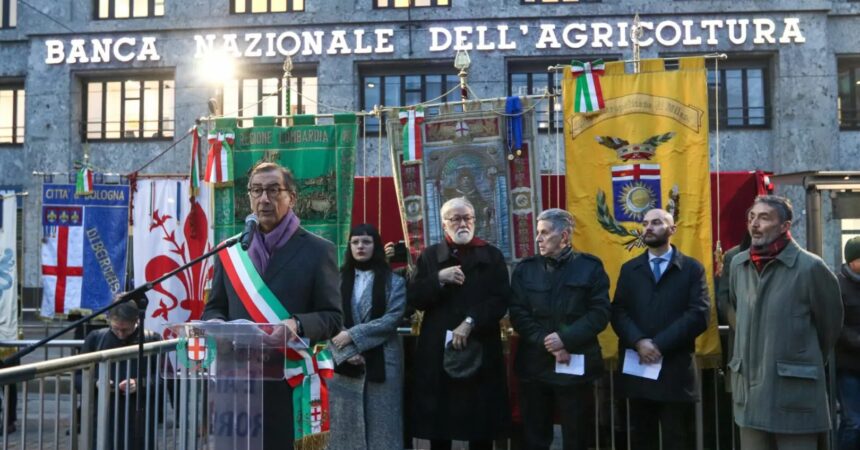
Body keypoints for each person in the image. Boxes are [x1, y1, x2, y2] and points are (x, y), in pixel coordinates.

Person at [202, 162, 342, 450]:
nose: (264, 199)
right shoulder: (230, 251)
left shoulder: (318, 250)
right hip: (240, 383)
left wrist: (298, 324)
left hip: (290, 382)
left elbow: (332, 317)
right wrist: (217, 326)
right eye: (256, 190)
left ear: (292, 197)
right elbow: (214, 308)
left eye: (273, 190)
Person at [729, 195, 843, 450]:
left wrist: (800, 359)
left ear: (784, 226)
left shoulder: (810, 267)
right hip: (749, 394)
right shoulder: (739, 264)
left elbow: (829, 327)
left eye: (764, 217)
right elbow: (739, 309)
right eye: (751, 217)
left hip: (793, 394)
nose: (755, 224)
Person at [407, 197, 511, 450]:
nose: (463, 223)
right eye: (456, 218)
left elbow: (500, 299)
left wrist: (470, 321)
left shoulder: (491, 255)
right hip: (437, 349)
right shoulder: (430, 256)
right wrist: (438, 279)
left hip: (480, 343)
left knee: (480, 422)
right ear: (444, 224)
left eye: (468, 218)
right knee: (439, 421)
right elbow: (414, 298)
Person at [509, 208, 611, 450]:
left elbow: (600, 313)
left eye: (544, 233)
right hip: (535, 365)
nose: (538, 239)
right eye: (537, 233)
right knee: (535, 437)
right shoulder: (526, 269)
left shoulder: (591, 267)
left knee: (577, 436)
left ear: (564, 236)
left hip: (575, 365)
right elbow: (518, 313)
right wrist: (549, 342)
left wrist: (565, 339)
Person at [610, 208, 710, 450]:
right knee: (641, 439)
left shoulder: (691, 269)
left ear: (672, 229)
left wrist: (659, 345)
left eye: (656, 223)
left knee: (677, 438)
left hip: (674, 370)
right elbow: (618, 312)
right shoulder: (630, 269)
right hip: (638, 369)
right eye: (645, 224)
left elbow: (699, 314)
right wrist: (639, 341)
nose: (648, 228)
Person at [327, 223, 406, 450]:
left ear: (376, 246)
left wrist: (352, 336)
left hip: (382, 362)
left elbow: (391, 319)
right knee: (345, 427)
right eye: (355, 242)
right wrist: (347, 351)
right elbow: (329, 317)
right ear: (349, 246)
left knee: (383, 429)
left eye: (366, 242)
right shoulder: (334, 281)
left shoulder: (395, 282)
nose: (360, 246)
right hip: (342, 362)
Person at [75, 300, 161, 450]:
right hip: (102, 418)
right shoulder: (95, 338)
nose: (121, 334)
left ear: (137, 321)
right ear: (108, 320)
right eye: (116, 329)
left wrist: (140, 383)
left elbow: (163, 378)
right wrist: (97, 383)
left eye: (126, 330)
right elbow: (77, 378)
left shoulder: (152, 339)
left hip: (138, 419)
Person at [837, 236, 860, 450]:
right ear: (852, 260)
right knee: (853, 423)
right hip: (848, 367)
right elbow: (837, 326)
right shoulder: (838, 284)